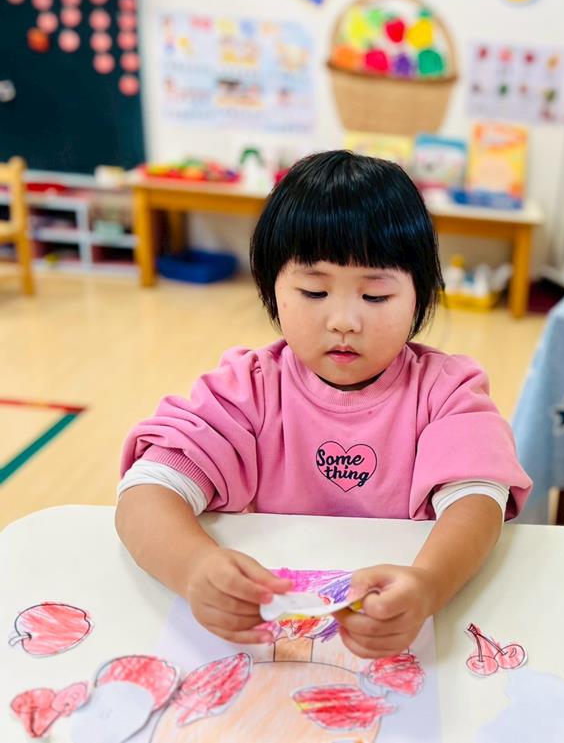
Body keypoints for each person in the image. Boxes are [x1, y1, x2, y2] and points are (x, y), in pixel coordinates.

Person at [115, 150, 531, 657]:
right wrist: (193, 567)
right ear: (272, 288)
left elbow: (477, 503)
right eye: (314, 292)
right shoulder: (249, 389)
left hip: (398, 632)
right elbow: (147, 490)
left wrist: (429, 583)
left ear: (419, 298)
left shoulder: (444, 391)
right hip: (279, 633)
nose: (344, 322)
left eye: (375, 297)